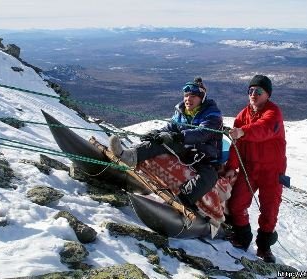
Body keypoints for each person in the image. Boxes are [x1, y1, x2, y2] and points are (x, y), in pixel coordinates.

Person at [109, 77, 223, 208]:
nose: (188, 99)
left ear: (202, 98)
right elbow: (170, 128)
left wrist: (178, 136)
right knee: (161, 141)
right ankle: (129, 156)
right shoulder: (181, 112)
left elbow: (202, 133)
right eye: (186, 95)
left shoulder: (213, 115)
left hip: (205, 158)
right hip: (185, 151)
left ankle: (182, 201)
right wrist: (156, 134)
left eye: (193, 96)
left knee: (209, 177)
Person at [224, 75, 287, 263]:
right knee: (237, 204)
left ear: (267, 95)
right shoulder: (242, 116)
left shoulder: (273, 112)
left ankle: (264, 247)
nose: (253, 94)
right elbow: (236, 145)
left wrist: (244, 131)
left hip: (272, 171)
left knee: (270, 210)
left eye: (258, 91)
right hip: (249, 168)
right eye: (250, 91)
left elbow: (264, 129)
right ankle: (243, 238)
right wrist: (231, 167)